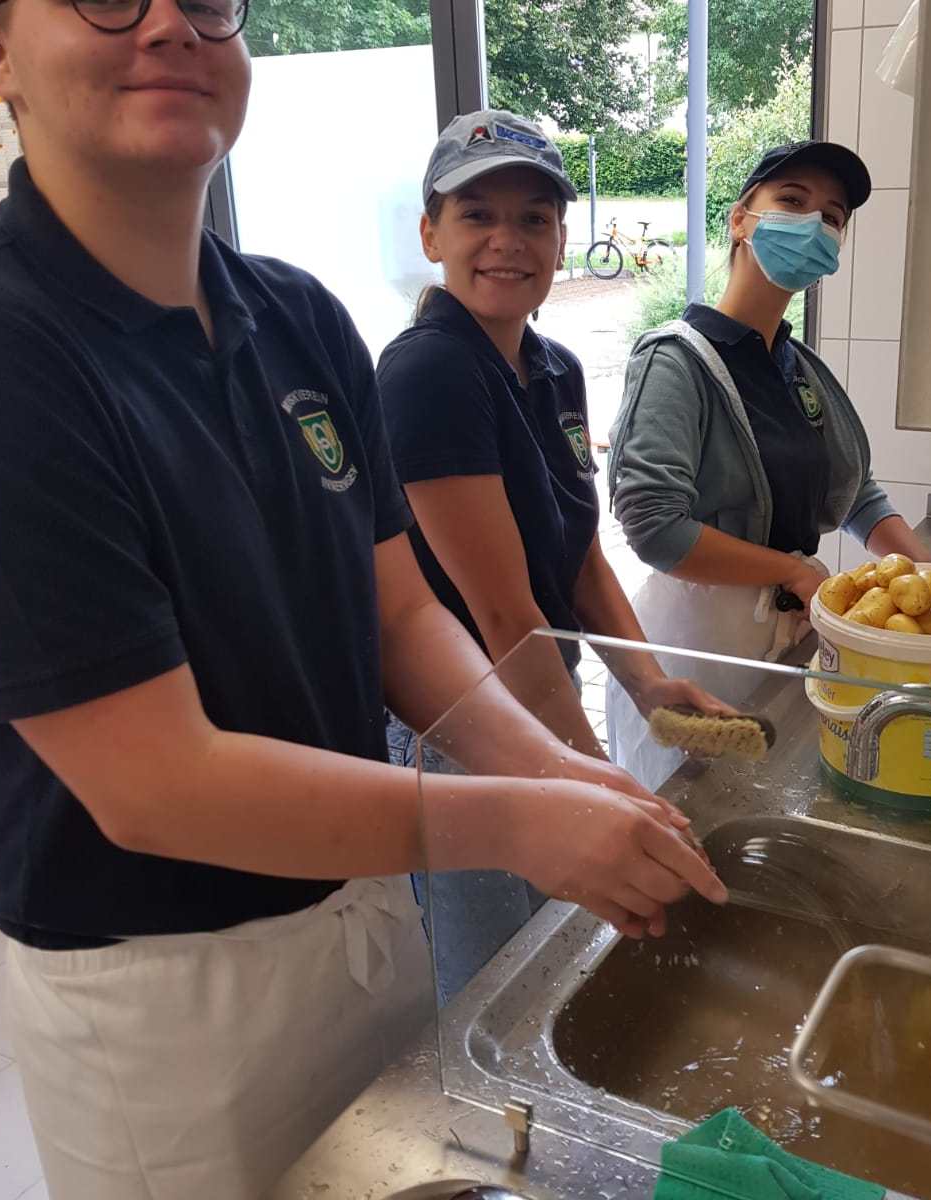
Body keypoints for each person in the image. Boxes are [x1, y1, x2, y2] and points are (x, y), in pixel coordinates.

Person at [0, 4, 726, 1196]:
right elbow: (152, 784)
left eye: (206, 0)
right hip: (167, 990)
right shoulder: (12, 348)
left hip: (363, 913)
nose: (170, 24)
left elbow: (402, 617)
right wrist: (515, 822)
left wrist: (550, 768)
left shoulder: (299, 317)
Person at [374, 109, 729, 1000]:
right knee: (500, 984)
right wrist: (593, 777)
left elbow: (579, 558)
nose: (508, 240)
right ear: (431, 235)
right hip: (463, 728)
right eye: (477, 215)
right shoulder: (428, 373)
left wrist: (648, 686)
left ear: (562, 239)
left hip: (539, 691)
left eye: (534, 218)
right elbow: (503, 615)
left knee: (560, 948)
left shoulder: (556, 367)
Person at [604, 140, 930, 776]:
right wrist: (790, 570)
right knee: (692, 802)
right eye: (792, 201)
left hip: (779, 636)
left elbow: (855, 492)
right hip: (697, 646)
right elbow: (653, 525)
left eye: (832, 216)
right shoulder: (676, 361)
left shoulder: (796, 367)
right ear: (740, 219)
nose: (814, 224)